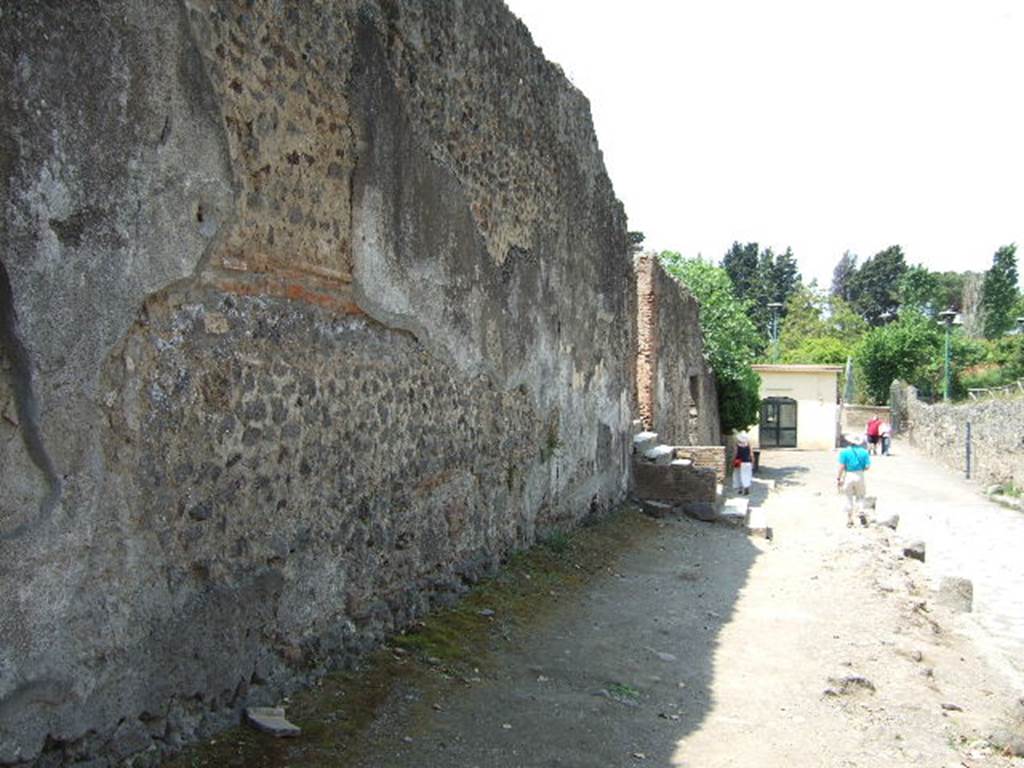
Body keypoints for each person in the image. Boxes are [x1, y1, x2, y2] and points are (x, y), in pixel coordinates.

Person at [837, 434, 871, 527]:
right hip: (860, 475)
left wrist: (839, 478)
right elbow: (867, 466)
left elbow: (841, 466)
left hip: (848, 475)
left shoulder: (844, 452)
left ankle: (849, 519)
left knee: (848, 497)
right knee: (860, 496)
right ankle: (861, 511)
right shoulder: (864, 452)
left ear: (850, 442)